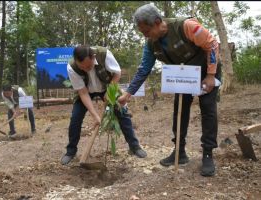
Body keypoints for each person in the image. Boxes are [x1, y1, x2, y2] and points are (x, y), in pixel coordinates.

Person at [118, 4, 222, 177]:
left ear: (158, 22)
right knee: (179, 111)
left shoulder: (186, 26)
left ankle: (207, 153)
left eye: (146, 31)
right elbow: (144, 68)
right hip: (184, 75)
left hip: (206, 71)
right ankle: (179, 151)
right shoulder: (151, 44)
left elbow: (211, 45)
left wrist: (211, 75)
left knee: (208, 109)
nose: (145, 36)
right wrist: (128, 94)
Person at [60, 45, 147, 165]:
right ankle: (70, 151)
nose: (86, 70)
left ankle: (134, 147)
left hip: (107, 86)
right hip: (86, 91)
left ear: (93, 57)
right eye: (82, 68)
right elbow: (83, 92)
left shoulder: (104, 55)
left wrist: (110, 90)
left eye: (89, 66)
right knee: (75, 117)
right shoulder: (72, 67)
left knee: (121, 112)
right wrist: (96, 116)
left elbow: (117, 73)